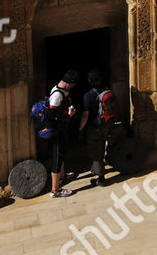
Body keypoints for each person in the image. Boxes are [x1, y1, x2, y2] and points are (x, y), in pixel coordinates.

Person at [78, 69, 120, 188]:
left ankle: (100, 178)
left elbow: (85, 115)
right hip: (106, 125)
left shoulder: (88, 95)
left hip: (94, 127)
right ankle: (98, 170)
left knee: (96, 152)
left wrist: (80, 129)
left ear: (90, 81)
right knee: (102, 146)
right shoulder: (107, 90)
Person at [45, 70, 79, 198]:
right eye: (72, 85)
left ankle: (62, 176)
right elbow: (52, 117)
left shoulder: (60, 90)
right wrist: (68, 116)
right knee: (57, 158)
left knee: (62, 152)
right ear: (68, 83)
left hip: (61, 128)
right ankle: (55, 191)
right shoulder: (57, 95)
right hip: (56, 131)